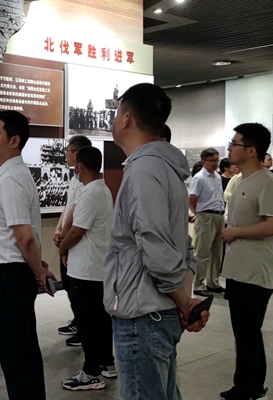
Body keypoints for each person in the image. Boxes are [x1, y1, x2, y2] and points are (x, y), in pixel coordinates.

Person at [104, 83, 209, 400]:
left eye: (117, 113)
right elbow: (182, 244)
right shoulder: (166, 167)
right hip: (157, 310)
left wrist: (184, 301)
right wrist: (183, 297)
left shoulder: (144, 169)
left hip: (143, 314)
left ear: (126, 118)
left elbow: (155, 246)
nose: (114, 120)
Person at [0, 110, 57, 400]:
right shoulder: (15, 176)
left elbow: (24, 236)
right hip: (13, 273)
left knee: (16, 356)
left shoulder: (12, 179)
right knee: (24, 350)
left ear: (14, 141)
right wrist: (36, 267)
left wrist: (38, 271)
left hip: (8, 277)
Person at [220, 123, 273, 400]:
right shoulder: (242, 180)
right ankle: (251, 386)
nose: (230, 148)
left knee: (247, 332)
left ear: (251, 150)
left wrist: (235, 232)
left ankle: (246, 389)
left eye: (235, 144)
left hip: (255, 272)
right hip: (238, 269)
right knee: (247, 332)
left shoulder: (267, 182)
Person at [58, 146, 116, 391]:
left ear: (80, 166)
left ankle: (91, 373)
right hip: (96, 267)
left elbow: (76, 231)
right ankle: (106, 362)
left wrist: (61, 248)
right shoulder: (101, 189)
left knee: (87, 322)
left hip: (86, 269)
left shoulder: (91, 193)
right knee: (101, 319)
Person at [53, 135, 92, 346]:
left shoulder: (87, 183)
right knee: (70, 287)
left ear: (76, 153)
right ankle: (78, 321)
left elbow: (75, 213)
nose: (65, 155)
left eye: (67, 151)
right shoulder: (74, 179)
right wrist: (58, 228)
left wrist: (64, 238)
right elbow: (67, 208)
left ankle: (84, 328)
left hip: (77, 243)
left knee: (78, 290)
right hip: (67, 236)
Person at [189, 148, 226, 297]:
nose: (215, 163)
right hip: (205, 215)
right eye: (212, 160)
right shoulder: (199, 178)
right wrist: (197, 213)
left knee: (217, 252)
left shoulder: (217, 177)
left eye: (217, 160)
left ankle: (213, 282)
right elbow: (192, 198)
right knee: (203, 252)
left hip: (219, 215)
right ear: (203, 161)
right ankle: (198, 284)